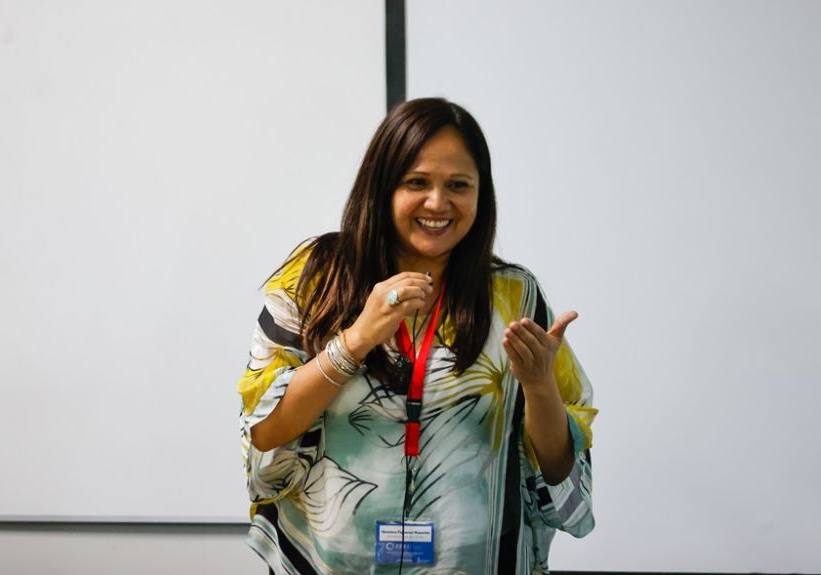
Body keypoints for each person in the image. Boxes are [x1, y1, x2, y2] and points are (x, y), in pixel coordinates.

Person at [237, 97, 597, 574]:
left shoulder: (514, 296)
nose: (437, 203)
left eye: (458, 186)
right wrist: (354, 341)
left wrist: (539, 387)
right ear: (382, 186)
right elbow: (264, 433)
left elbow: (556, 471)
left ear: (480, 195)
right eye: (417, 183)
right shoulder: (315, 280)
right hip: (330, 564)